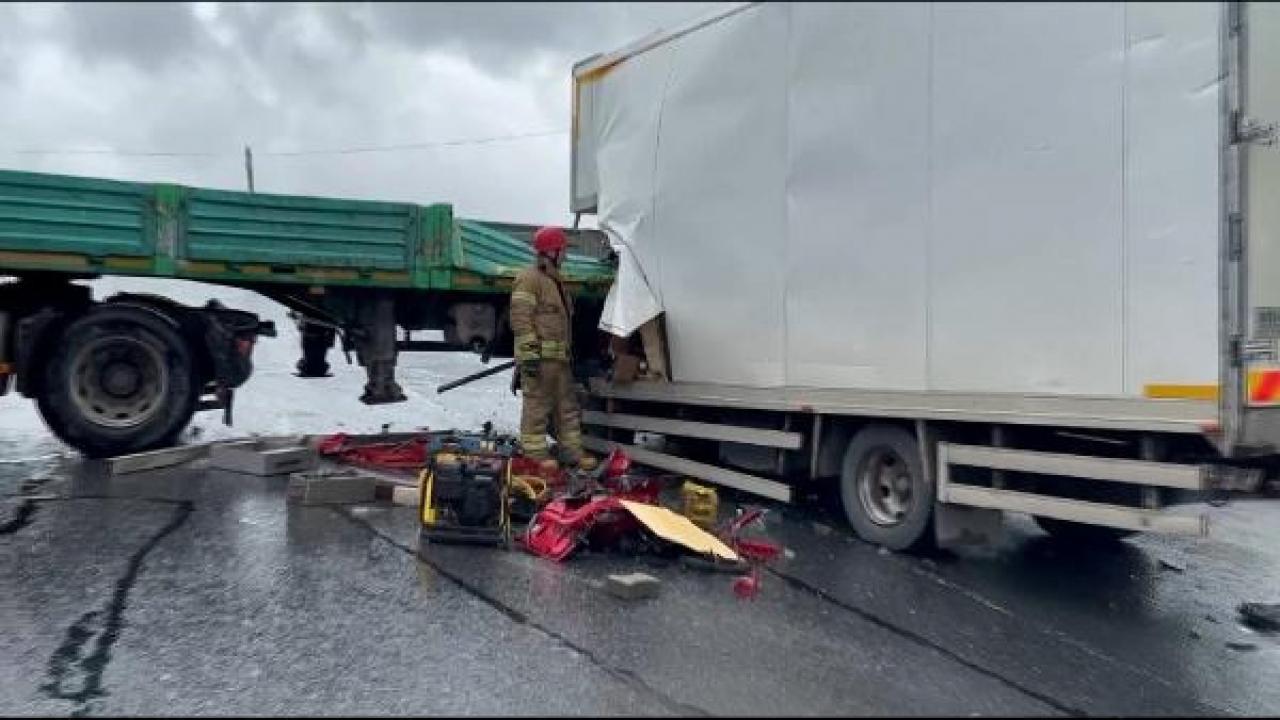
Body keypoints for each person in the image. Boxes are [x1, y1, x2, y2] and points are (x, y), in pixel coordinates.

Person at [510, 226, 595, 471]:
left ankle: (572, 453)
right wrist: (529, 355)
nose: (566, 255)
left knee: (567, 409)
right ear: (551, 251)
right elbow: (520, 316)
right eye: (563, 250)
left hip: (559, 361)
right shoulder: (530, 278)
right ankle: (535, 456)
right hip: (540, 359)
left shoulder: (555, 281)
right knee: (537, 408)